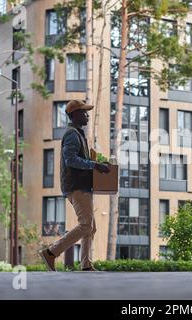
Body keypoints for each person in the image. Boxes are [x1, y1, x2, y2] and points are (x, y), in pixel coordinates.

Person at [39, 100, 109, 271]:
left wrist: (96, 163)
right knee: (85, 225)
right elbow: (70, 160)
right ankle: (51, 252)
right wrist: (94, 165)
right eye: (84, 112)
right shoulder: (72, 134)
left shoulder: (77, 133)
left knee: (90, 227)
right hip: (76, 186)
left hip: (81, 186)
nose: (87, 115)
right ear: (75, 114)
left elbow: (79, 159)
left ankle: (86, 265)